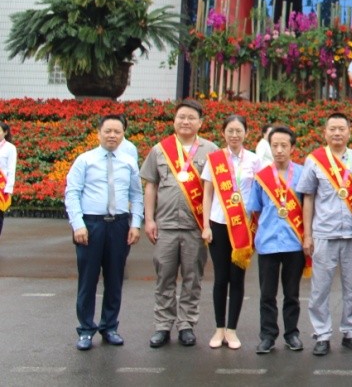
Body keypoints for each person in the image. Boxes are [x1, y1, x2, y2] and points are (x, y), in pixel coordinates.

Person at [141, 99, 218, 348]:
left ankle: (186, 324)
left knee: (192, 278)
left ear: (200, 123)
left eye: (191, 118)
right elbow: (151, 186)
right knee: (164, 276)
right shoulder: (160, 150)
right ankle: (163, 325)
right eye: (181, 117)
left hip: (196, 227)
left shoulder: (211, 151)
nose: (186, 121)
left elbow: (218, 190)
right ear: (174, 120)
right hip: (166, 226)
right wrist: (149, 219)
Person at [64, 115, 143, 351]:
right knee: (88, 279)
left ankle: (109, 327)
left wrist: (135, 224)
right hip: (91, 225)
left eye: (117, 132)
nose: (112, 135)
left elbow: (136, 195)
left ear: (123, 134)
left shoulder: (129, 162)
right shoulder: (84, 160)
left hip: (119, 225)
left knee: (115, 278)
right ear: (98, 133)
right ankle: (86, 329)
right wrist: (78, 224)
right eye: (108, 131)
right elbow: (72, 193)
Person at [297, 112, 352, 356]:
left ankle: (351, 331)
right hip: (323, 233)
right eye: (332, 129)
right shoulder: (314, 160)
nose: (337, 133)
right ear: (325, 132)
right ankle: (322, 334)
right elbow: (308, 197)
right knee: (320, 288)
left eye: (341, 129)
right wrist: (307, 235)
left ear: (349, 132)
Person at [200, 115, 260, 350]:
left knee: (237, 278)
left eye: (239, 131)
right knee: (220, 278)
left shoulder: (254, 160)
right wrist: (205, 225)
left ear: (246, 133)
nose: (234, 135)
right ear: (223, 132)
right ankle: (219, 328)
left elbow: (260, 193)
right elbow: (207, 194)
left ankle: (232, 330)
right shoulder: (214, 159)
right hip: (218, 223)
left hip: (243, 227)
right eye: (230, 131)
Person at [248, 126, 307, 354]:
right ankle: (267, 335)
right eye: (275, 146)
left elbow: (308, 207)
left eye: (284, 145)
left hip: (294, 242)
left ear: (292, 148)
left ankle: (292, 334)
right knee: (267, 294)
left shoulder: (302, 174)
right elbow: (255, 209)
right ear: (269, 147)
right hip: (268, 243)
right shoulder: (261, 177)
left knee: (292, 293)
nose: (279, 150)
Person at [0, 119, 16, 239]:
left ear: (5, 132)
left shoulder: (10, 148)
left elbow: (11, 169)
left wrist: (9, 188)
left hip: (1, 187)